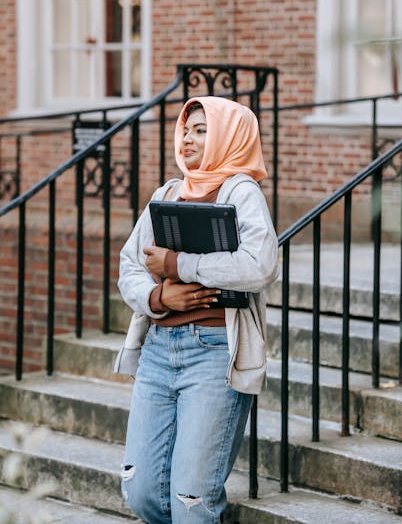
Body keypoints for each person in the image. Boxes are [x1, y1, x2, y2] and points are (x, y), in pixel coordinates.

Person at [117, 96, 278, 524]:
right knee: (141, 491)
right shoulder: (169, 192)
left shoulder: (241, 192)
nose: (187, 138)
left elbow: (260, 265)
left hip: (213, 355)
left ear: (229, 136)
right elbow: (129, 264)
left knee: (193, 503)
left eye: (202, 130)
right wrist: (158, 298)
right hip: (157, 351)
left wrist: (179, 266)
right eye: (186, 129)